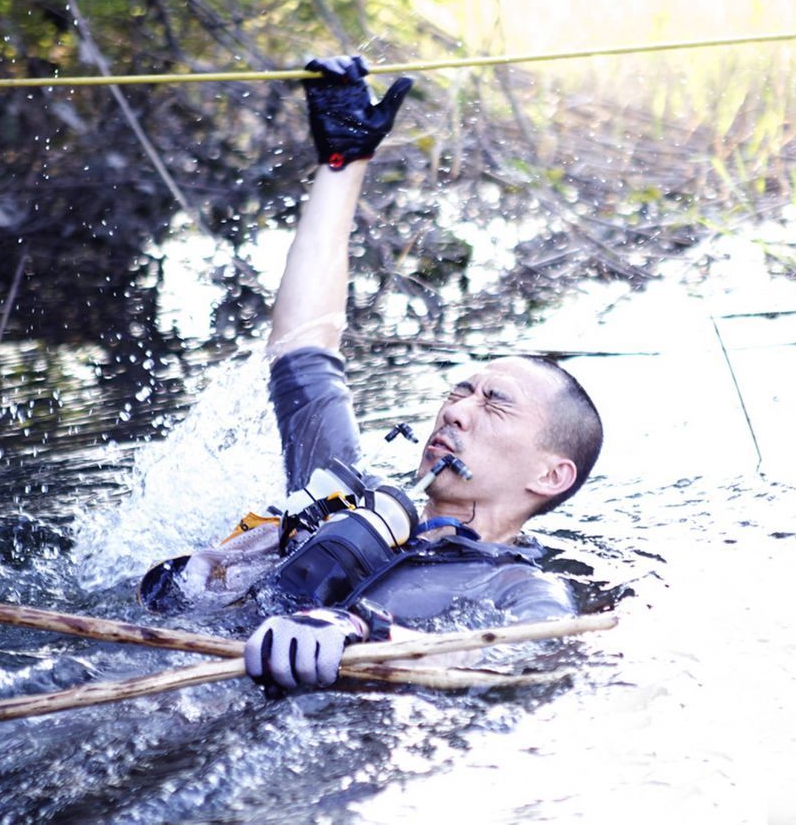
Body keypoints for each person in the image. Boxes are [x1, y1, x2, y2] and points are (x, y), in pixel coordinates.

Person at [148, 57, 604, 691]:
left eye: (494, 404)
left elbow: (531, 664)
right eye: (458, 390)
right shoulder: (339, 500)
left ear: (550, 475)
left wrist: (368, 637)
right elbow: (304, 351)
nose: (454, 410)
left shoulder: (519, 587)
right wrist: (342, 163)